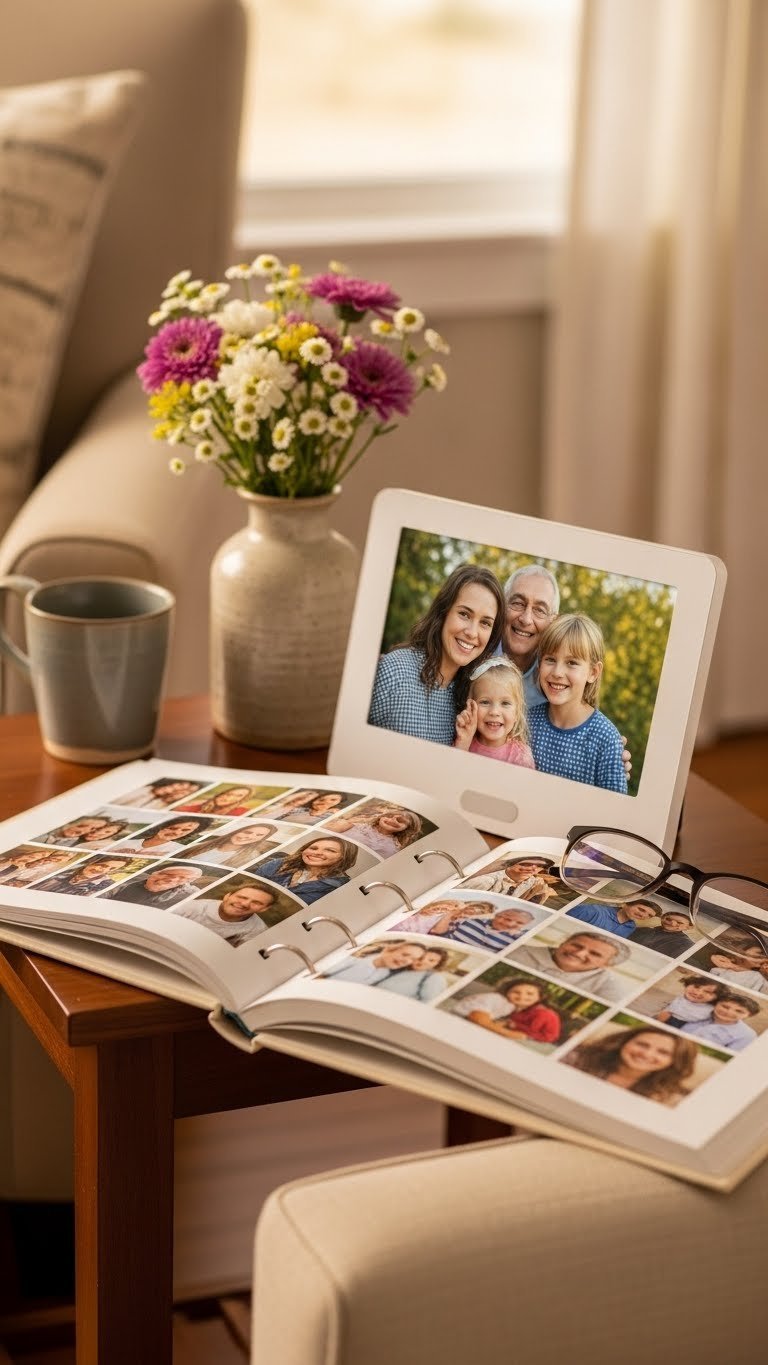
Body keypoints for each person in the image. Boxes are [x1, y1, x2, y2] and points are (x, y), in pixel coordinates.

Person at [499, 565, 632, 775]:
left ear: (553, 620)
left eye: (540, 610)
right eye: (517, 603)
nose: (525, 618)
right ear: (502, 606)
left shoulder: (556, 684)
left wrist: (608, 758)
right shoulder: (476, 650)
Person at [368, 564, 505, 745]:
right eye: (464, 614)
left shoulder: (473, 700)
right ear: (443, 612)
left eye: (485, 623)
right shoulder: (394, 671)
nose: (472, 632)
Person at [527, 613, 627, 793]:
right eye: (550, 659)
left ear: (593, 672)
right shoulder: (527, 721)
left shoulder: (606, 739)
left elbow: (614, 812)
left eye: (571, 663)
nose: (557, 672)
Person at [564, 1024, 697, 1105]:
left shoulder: (672, 1098)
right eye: (642, 1044)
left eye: (663, 1052)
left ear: (675, 1061)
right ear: (624, 1042)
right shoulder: (576, 1059)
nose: (647, 1054)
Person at [453, 657, 535, 767]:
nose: (494, 712)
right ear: (471, 706)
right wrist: (463, 743)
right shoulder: (465, 742)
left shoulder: (520, 756)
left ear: (517, 712)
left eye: (505, 703)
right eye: (485, 702)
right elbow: (453, 772)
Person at [510, 930, 632, 1002]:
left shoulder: (611, 987)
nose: (579, 953)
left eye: (595, 954)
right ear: (563, 943)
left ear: (607, 964)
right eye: (577, 945)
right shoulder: (518, 951)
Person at [322, 940, 451, 1002]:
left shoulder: (433, 978)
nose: (422, 962)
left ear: (437, 965)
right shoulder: (392, 969)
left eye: (431, 961)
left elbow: (428, 1003)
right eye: (422, 958)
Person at [451, 976, 561, 1045]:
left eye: (530, 994)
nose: (522, 996)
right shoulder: (495, 998)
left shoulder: (512, 1007)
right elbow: (478, 1019)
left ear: (539, 997)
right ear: (506, 992)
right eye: (516, 992)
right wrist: (509, 1033)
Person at [256, 836, 359, 906]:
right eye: (313, 848)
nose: (317, 853)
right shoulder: (279, 863)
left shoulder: (342, 887)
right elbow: (252, 884)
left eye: (330, 850)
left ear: (344, 857)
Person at [173, 882, 278, 944]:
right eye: (242, 897)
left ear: (264, 909)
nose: (245, 904)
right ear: (227, 896)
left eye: (257, 903)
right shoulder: (192, 907)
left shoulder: (258, 931)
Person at [326, 803, 423, 857]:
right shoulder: (353, 825)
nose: (393, 820)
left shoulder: (395, 848)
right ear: (381, 817)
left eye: (400, 820)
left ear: (407, 828)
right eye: (389, 816)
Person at [680, 993, 760, 1052]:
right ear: (716, 1004)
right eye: (725, 1006)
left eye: (739, 1011)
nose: (728, 1012)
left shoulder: (747, 1035)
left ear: (749, 1015)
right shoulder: (700, 1014)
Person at [461, 855, 558, 903]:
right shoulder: (485, 881)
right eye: (525, 864)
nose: (533, 868)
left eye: (540, 866)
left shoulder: (533, 882)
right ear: (509, 865)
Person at [102, 864, 205, 907]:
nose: (172, 879)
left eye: (182, 878)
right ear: (155, 872)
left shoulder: (188, 894)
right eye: (168, 874)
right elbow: (105, 891)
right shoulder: (131, 877)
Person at [185, 822, 280, 868]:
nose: (250, 837)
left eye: (259, 835)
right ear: (236, 831)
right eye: (247, 832)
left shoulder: (251, 857)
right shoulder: (203, 844)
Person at [441, 906, 535, 952]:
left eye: (519, 923)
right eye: (507, 918)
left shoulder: (516, 938)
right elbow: (441, 933)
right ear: (497, 915)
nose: (510, 924)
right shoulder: (469, 920)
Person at [567, 897, 660, 939]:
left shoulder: (631, 927)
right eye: (641, 909)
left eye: (649, 915)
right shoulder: (591, 910)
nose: (643, 915)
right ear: (624, 904)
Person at [115, 816, 211, 857]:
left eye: (186, 830)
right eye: (172, 828)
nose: (177, 832)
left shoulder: (179, 850)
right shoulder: (127, 842)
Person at [36, 856, 131, 896]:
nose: (104, 870)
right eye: (102, 865)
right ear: (92, 862)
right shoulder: (66, 872)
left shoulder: (105, 884)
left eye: (111, 869)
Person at [655, 974, 723, 1028]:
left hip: (690, 1026)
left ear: (716, 997)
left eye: (708, 992)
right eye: (696, 987)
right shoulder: (681, 998)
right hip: (669, 1019)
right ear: (688, 984)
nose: (698, 993)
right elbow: (667, 1012)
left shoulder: (712, 1009)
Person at [701, 942, 768, 994]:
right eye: (759, 953)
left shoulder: (759, 977)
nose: (764, 958)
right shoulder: (718, 970)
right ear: (738, 951)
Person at [630, 909, 696, 958]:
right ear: (662, 919)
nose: (672, 923)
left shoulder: (687, 944)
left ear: (688, 927)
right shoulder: (644, 930)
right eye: (668, 919)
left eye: (679, 923)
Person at [1, 848, 77, 887]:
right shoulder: (42, 854)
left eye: (58, 860)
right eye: (56, 857)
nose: (54, 860)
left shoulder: (49, 867)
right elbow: (17, 861)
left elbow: (26, 877)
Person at [116, 777, 208, 809]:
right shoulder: (143, 788)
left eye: (187, 792)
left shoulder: (161, 804)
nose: (180, 791)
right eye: (181, 785)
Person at [177, 784, 261, 816]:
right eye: (228, 794)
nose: (228, 798)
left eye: (238, 796)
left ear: (241, 800)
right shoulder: (193, 806)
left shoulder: (241, 812)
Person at [36, 815, 115, 847]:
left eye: (92, 829)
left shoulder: (73, 842)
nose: (81, 831)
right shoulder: (44, 829)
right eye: (81, 826)